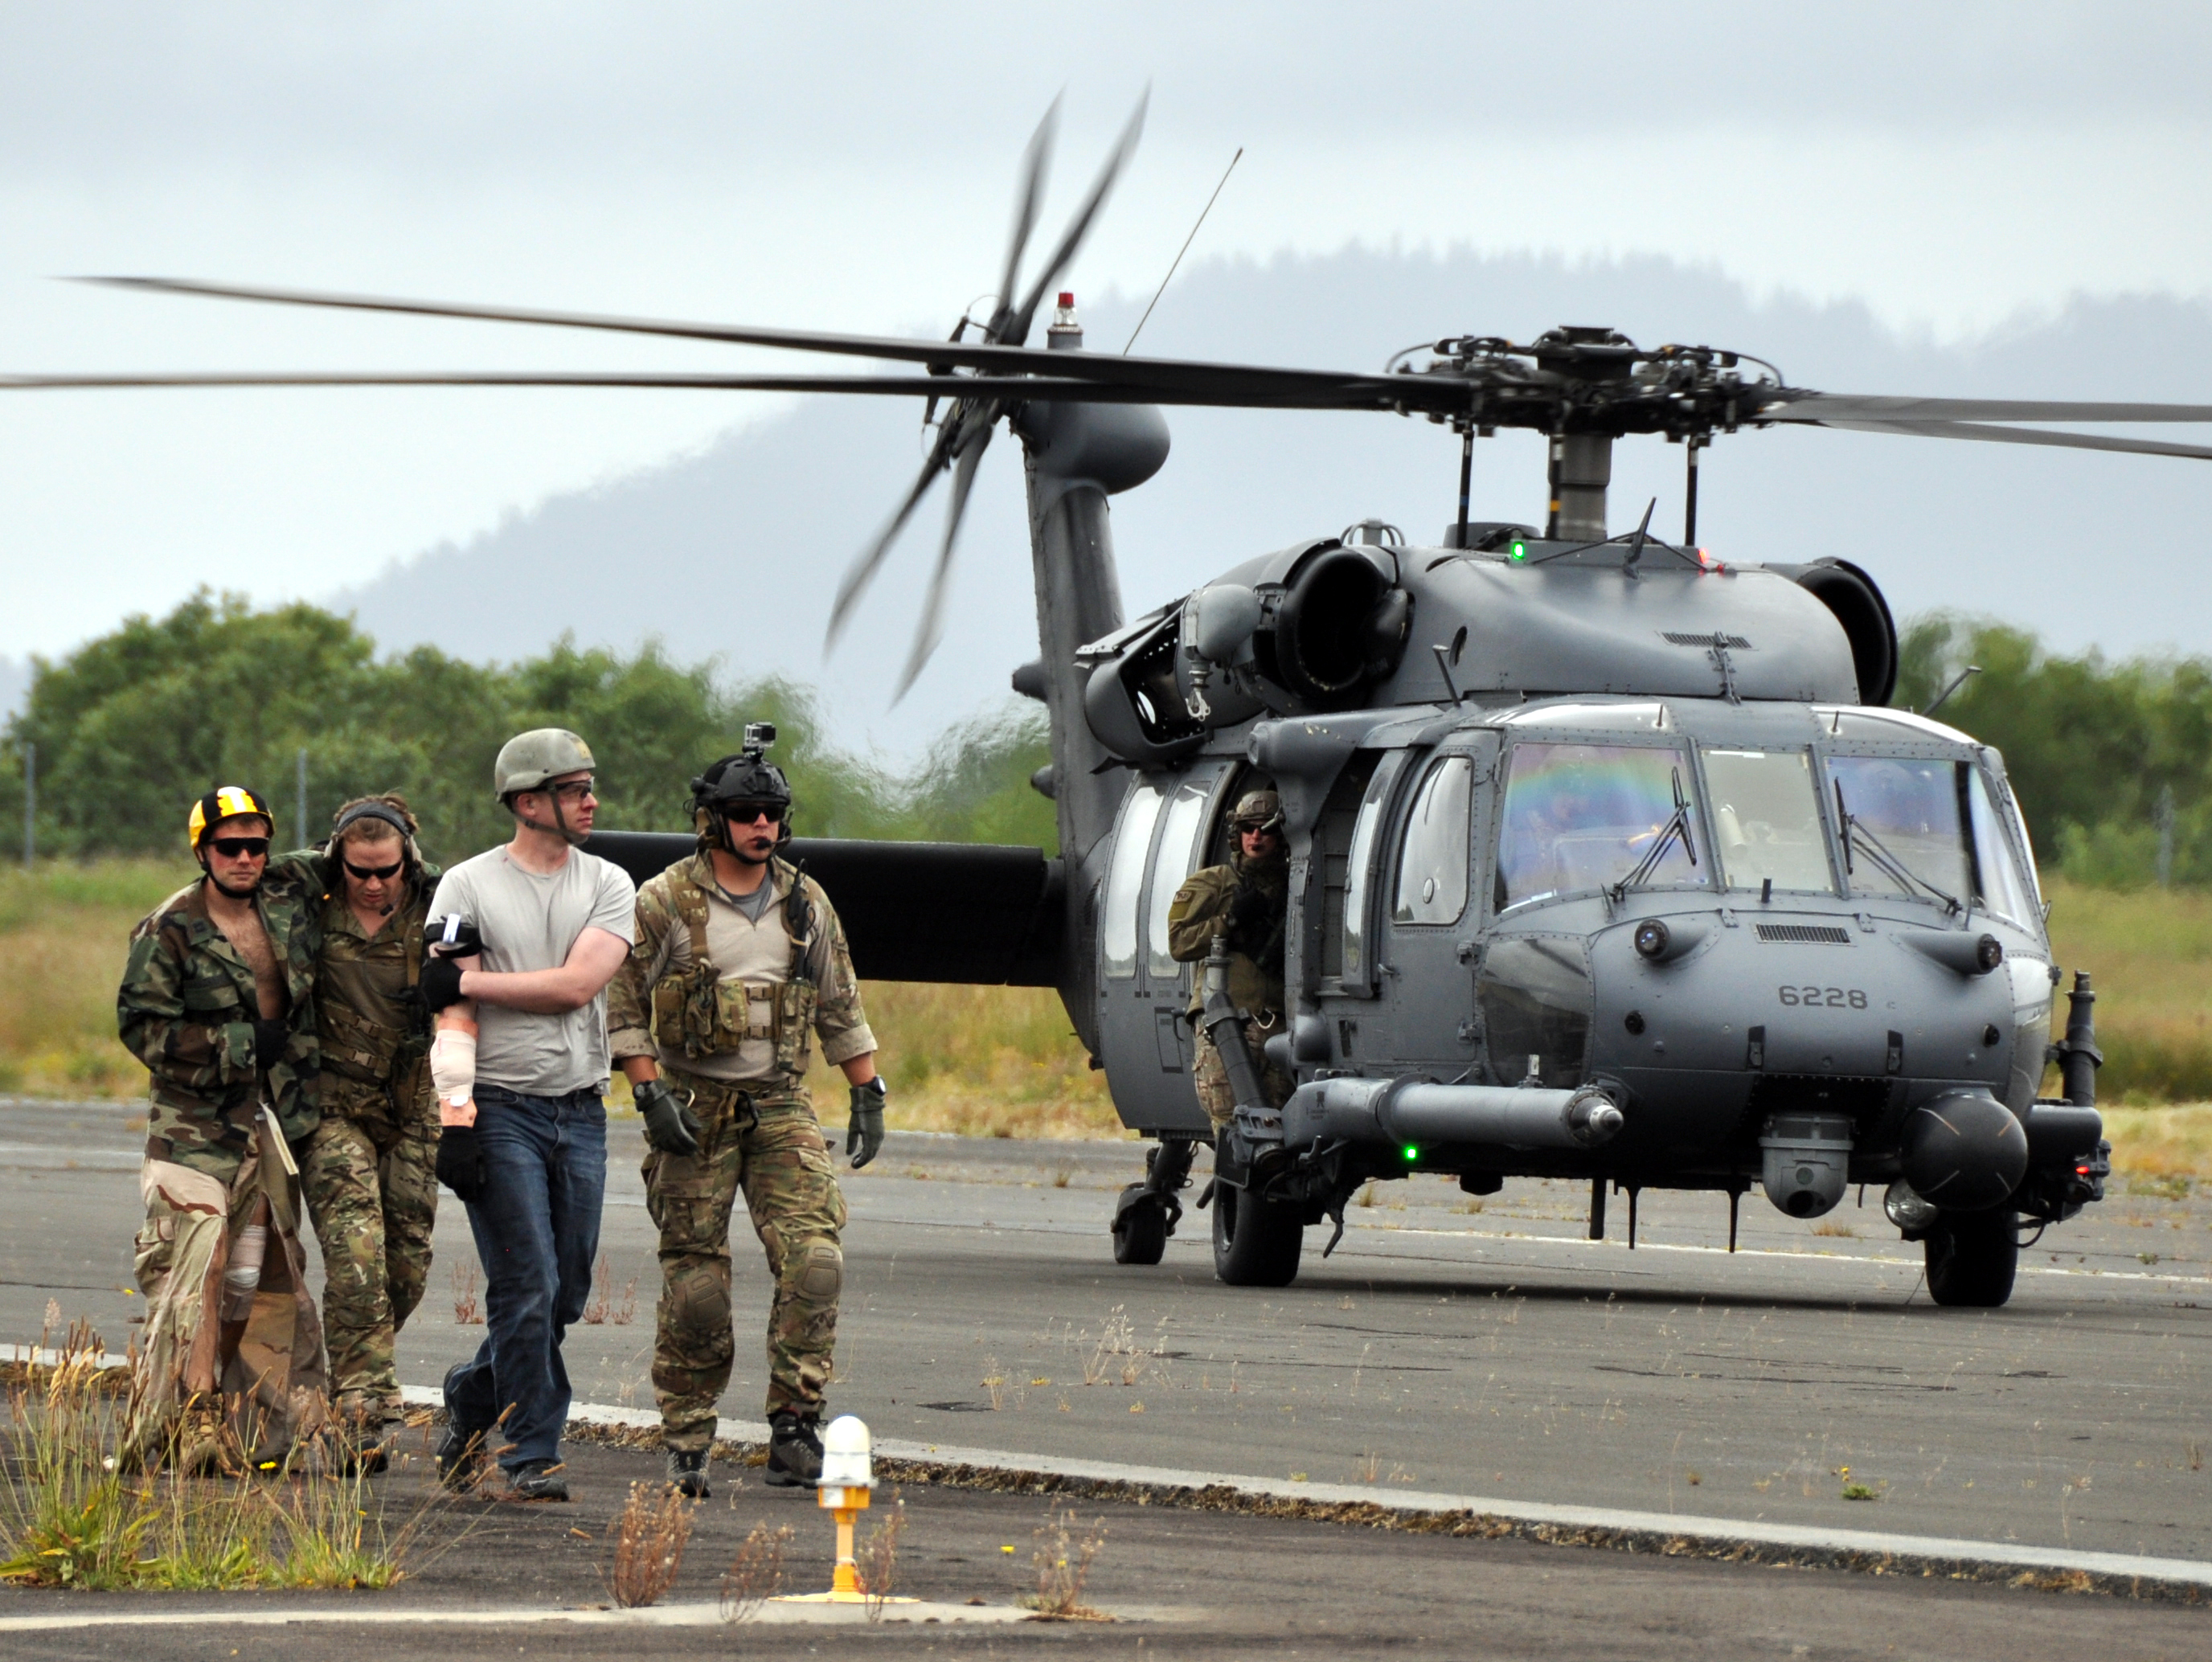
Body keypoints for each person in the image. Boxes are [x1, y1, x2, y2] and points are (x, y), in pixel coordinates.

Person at [606, 726, 883, 1498]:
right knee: (697, 1288)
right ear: (712, 819)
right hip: (693, 1104)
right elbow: (622, 1000)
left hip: (780, 1101)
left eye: (771, 813)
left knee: (817, 1261)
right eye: (744, 812)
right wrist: (648, 1089)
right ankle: (688, 1439)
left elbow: (837, 998)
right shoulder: (664, 901)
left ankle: (796, 1428)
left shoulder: (804, 901)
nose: (760, 826)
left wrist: (866, 1086)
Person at [422, 730, 635, 1502]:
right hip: (501, 1110)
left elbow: (577, 986)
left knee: (566, 1291)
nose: (590, 801)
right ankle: (530, 1454)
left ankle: (472, 1394)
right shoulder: (466, 886)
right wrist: (457, 1117)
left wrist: (470, 982)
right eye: (575, 789)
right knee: (527, 1284)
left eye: (589, 786)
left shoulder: (610, 883)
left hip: (580, 1110)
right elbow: (449, 1021)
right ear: (526, 801)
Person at [117, 786, 328, 1470]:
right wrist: (237, 1043)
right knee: (199, 1265)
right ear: (203, 851)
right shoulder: (169, 928)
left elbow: (365, 857)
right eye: (229, 847)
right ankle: (192, 1416)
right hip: (191, 1129)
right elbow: (141, 1027)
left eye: (256, 845)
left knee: (260, 1278)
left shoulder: (287, 895)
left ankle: (254, 1427)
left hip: (266, 1126)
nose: (244, 857)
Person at [295, 794, 442, 1469]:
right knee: (357, 1258)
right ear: (338, 860)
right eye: (360, 870)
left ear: (408, 857)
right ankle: (360, 1420)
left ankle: (339, 1382)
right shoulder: (307, 898)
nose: (375, 882)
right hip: (335, 1109)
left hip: (413, 1105)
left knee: (403, 1269)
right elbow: (231, 879)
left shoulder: (443, 901)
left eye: (388, 869)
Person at [1166, 789, 1294, 1140]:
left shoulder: (1294, 888)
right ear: (1236, 834)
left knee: (1278, 1132)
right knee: (1231, 1129)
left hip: (1280, 1028)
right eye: (1248, 828)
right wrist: (1229, 920)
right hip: (1226, 1023)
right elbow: (1179, 942)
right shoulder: (1214, 883)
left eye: (1265, 829)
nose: (1256, 836)